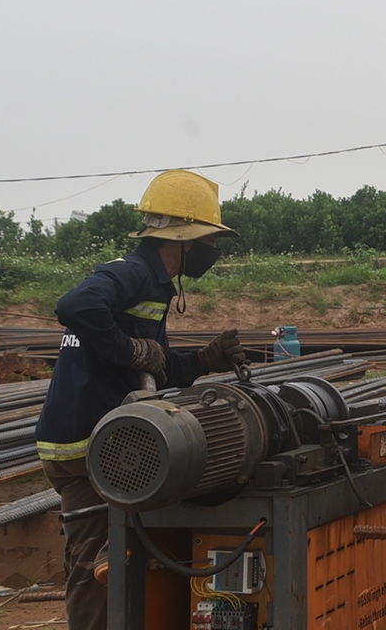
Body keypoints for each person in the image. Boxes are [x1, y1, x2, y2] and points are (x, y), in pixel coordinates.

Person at [35, 170, 250, 630]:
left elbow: (154, 368)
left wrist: (206, 359)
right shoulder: (130, 273)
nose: (213, 251)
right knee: (99, 571)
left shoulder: (152, 286)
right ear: (185, 238)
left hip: (109, 446)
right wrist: (130, 349)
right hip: (84, 450)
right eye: (210, 240)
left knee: (128, 562)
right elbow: (74, 306)